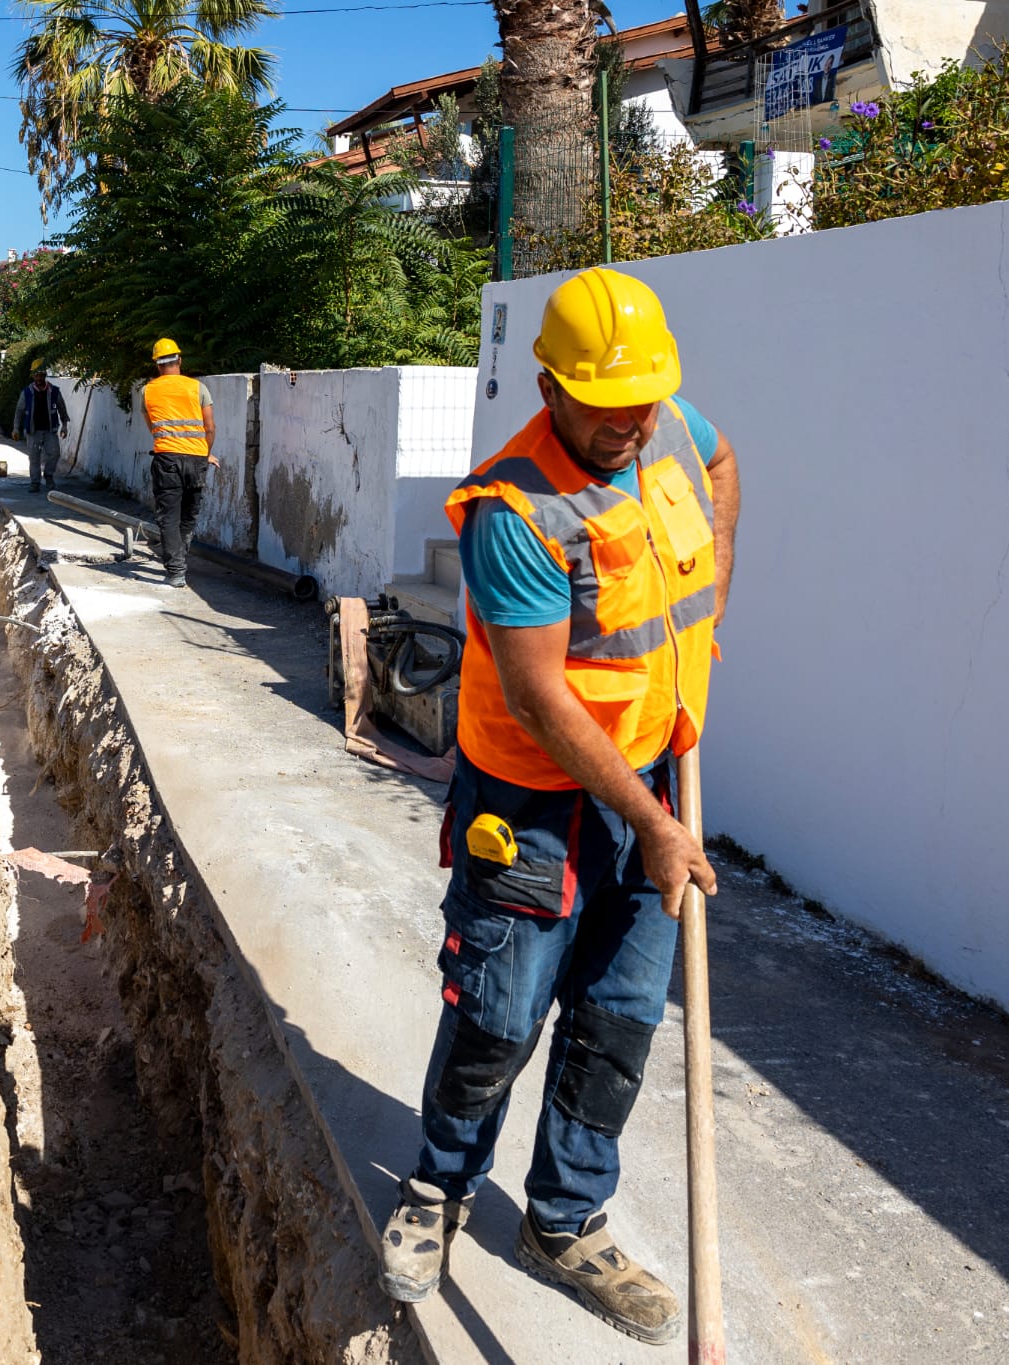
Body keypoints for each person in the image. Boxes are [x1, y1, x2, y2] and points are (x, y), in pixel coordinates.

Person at [377, 268, 740, 1346]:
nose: (628, 423)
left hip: (649, 778)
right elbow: (539, 698)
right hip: (536, 800)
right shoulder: (512, 511)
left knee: (617, 1023)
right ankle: (437, 1190)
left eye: (641, 400)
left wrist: (711, 598)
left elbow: (722, 460)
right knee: (496, 1013)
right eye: (601, 404)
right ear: (547, 384)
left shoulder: (663, 416)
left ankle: (562, 1220)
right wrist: (653, 822)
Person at [140, 338, 216, 589]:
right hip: (196, 459)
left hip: (167, 460)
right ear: (179, 361)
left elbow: (153, 427)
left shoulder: (148, 391)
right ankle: (179, 561)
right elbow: (210, 427)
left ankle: (176, 571)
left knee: (168, 517)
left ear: (157, 365)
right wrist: (205, 454)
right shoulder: (198, 388)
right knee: (189, 515)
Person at [13, 361, 70, 493]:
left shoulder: (54, 391)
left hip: (50, 430)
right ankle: (35, 482)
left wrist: (64, 426)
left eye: (41, 375)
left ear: (45, 375)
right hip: (33, 431)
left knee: (54, 453)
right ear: (33, 377)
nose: (39, 378)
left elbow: (62, 410)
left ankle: (48, 475)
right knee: (34, 457)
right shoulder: (26, 392)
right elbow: (19, 411)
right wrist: (16, 428)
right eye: (36, 376)